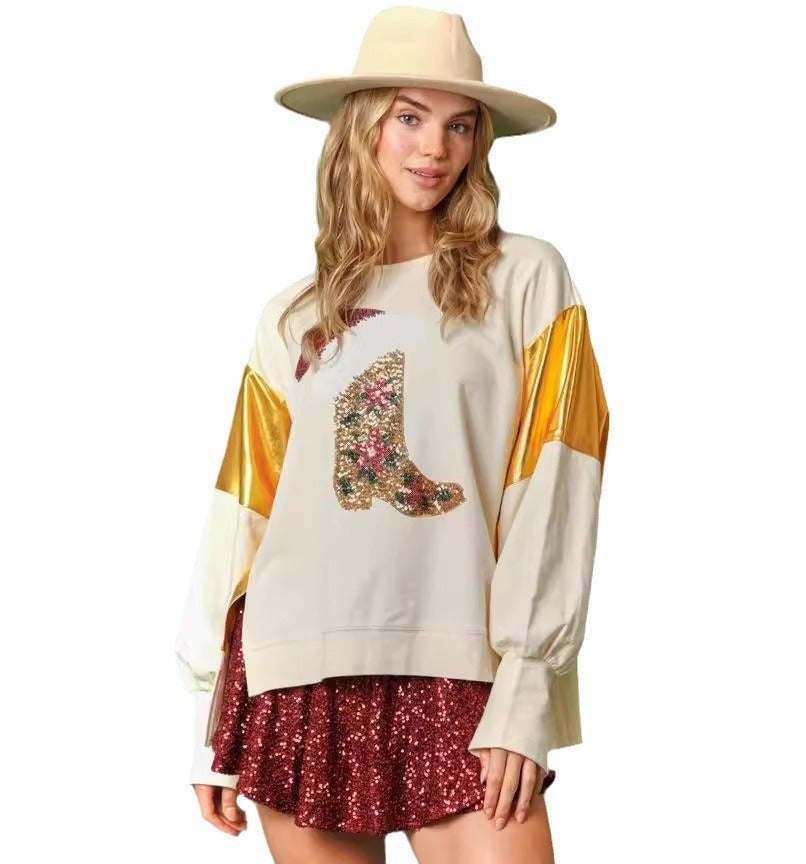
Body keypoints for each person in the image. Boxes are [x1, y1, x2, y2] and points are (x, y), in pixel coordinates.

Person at [174, 6, 610, 862]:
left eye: (459, 125)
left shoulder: (526, 278)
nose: (434, 147)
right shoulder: (293, 315)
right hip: (296, 669)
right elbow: (244, 514)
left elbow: (557, 479)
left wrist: (527, 683)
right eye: (410, 117)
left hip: (461, 664)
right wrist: (208, 712)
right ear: (363, 127)